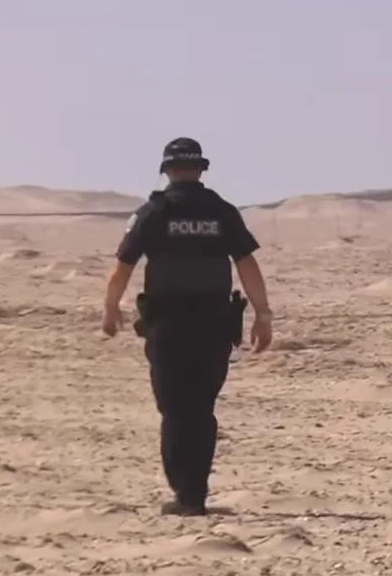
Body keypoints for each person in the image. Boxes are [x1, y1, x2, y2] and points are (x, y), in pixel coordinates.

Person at [101, 137, 274, 516]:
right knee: (201, 408)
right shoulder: (223, 212)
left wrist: (111, 308)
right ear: (201, 169)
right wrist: (263, 315)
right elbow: (247, 264)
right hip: (214, 323)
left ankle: (186, 496)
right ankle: (195, 493)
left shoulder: (154, 212)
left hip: (169, 325)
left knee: (175, 410)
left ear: (166, 170)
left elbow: (123, 266)